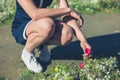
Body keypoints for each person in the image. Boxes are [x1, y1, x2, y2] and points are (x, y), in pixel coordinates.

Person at [11, 0, 91, 73]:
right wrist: (69, 10)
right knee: (47, 25)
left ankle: (41, 43)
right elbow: (35, 14)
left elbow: (66, 14)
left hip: (44, 21)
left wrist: (83, 40)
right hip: (23, 24)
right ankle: (27, 52)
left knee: (67, 34)